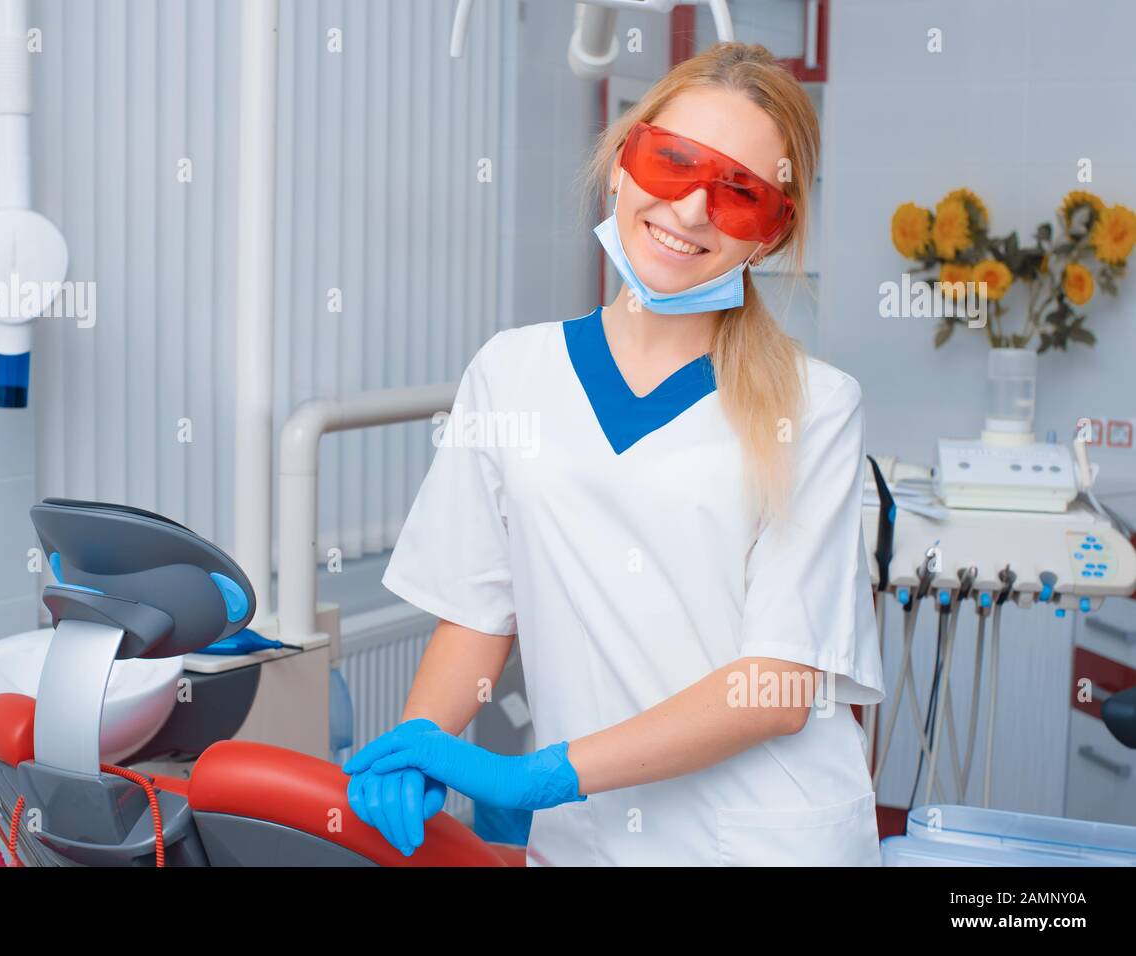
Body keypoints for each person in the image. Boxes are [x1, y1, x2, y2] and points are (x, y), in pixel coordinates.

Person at [343, 42, 884, 866]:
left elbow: (777, 688)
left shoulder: (815, 408)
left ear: (772, 234)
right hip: (587, 840)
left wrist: (539, 777)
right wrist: (420, 742)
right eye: (673, 163)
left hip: (762, 839)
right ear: (621, 165)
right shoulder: (511, 372)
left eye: (739, 193)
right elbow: (475, 610)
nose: (694, 210)